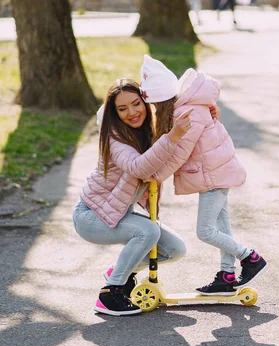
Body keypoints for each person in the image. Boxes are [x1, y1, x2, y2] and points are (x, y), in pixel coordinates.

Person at [139, 54, 268, 296]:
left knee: (206, 231)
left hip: (215, 176)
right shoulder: (189, 108)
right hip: (215, 173)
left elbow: (179, 154)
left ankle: (250, 258)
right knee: (222, 227)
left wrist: (155, 176)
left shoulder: (186, 115)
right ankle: (227, 275)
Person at [73, 79, 197, 316]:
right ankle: (110, 294)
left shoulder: (147, 131)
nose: (131, 112)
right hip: (90, 216)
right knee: (148, 231)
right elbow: (138, 167)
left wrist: (206, 115)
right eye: (122, 109)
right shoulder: (115, 137)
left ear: (145, 102)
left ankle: (118, 273)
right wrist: (172, 137)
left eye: (136, 104)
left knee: (175, 249)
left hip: (119, 212)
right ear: (114, 113)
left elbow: (176, 114)